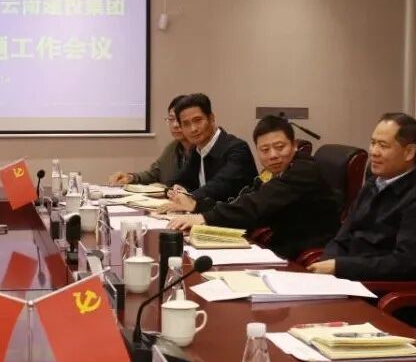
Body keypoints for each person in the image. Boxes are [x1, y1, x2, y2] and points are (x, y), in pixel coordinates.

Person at [167, 116, 340, 259]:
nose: (273, 155)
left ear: (294, 145)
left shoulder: (304, 170)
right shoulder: (273, 172)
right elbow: (246, 198)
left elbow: (256, 204)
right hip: (281, 246)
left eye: (280, 147)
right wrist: (198, 206)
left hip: (306, 254)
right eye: (265, 150)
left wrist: (203, 218)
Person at [308, 113, 416, 280]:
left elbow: (407, 263)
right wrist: (326, 264)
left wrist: (340, 267)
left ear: (409, 152)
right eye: (373, 143)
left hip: (377, 287)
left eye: (383, 146)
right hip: (345, 279)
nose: (373, 152)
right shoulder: (372, 184)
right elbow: (342, 238)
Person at [167, 93, 257, 204]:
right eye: (186, 124)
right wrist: (176, 189)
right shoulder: (197, 150)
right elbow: (182, 180)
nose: (193, 129)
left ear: (211, 118)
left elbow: (220, 186)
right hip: (208, 213)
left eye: (198, 120)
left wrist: (190, 198)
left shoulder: (238, 149)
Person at [109, 95, 190, 186]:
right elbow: (154, 174)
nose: (175, 125)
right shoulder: (172, 147)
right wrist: (130, 178)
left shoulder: (199, 149)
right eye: (171, 119)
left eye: (180, 119)